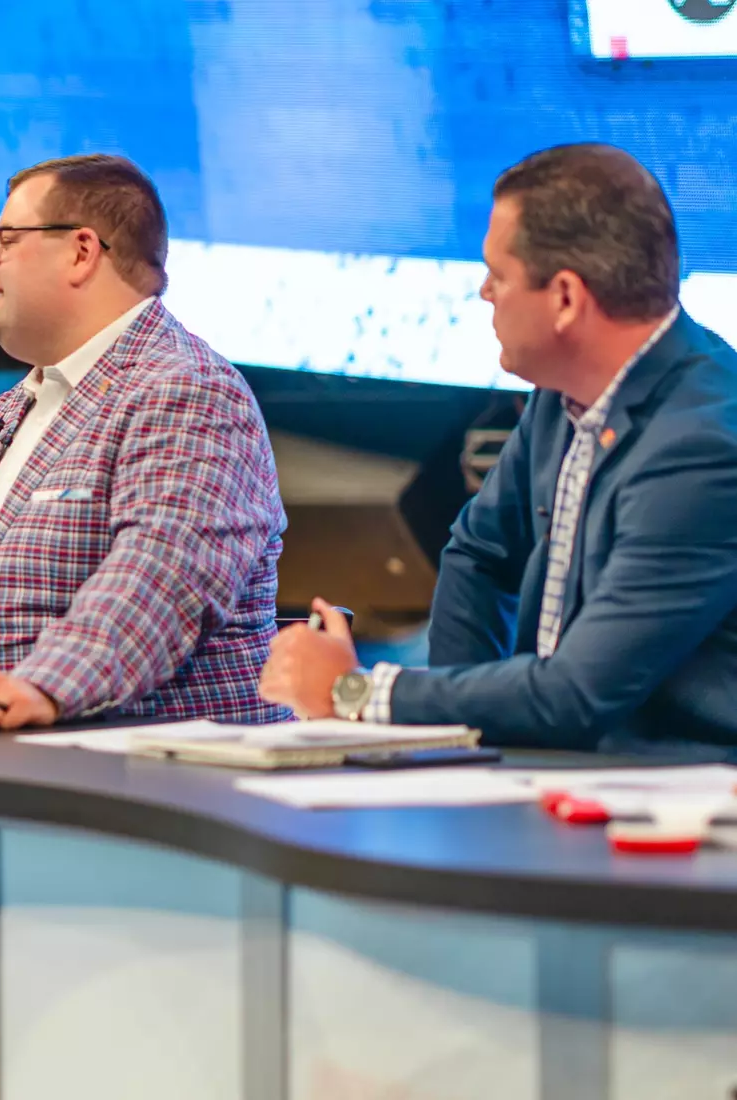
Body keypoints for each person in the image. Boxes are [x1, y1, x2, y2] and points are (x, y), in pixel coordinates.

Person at [260, 144, 737, 756]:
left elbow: (576, 695)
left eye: (498, 274)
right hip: (573, 772)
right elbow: (478, 554)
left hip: (681, 797)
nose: (483, 292)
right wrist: (461, 743)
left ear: (565, 298)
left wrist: (356, 693)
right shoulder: (561, 396)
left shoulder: (702, 447)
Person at [0, 154, 288, 730]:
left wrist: (42, 687)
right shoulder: (8, 409)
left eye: (6, 240)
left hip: (146, 791)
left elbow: (162, 574)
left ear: (81, 251)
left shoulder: (187, 389)